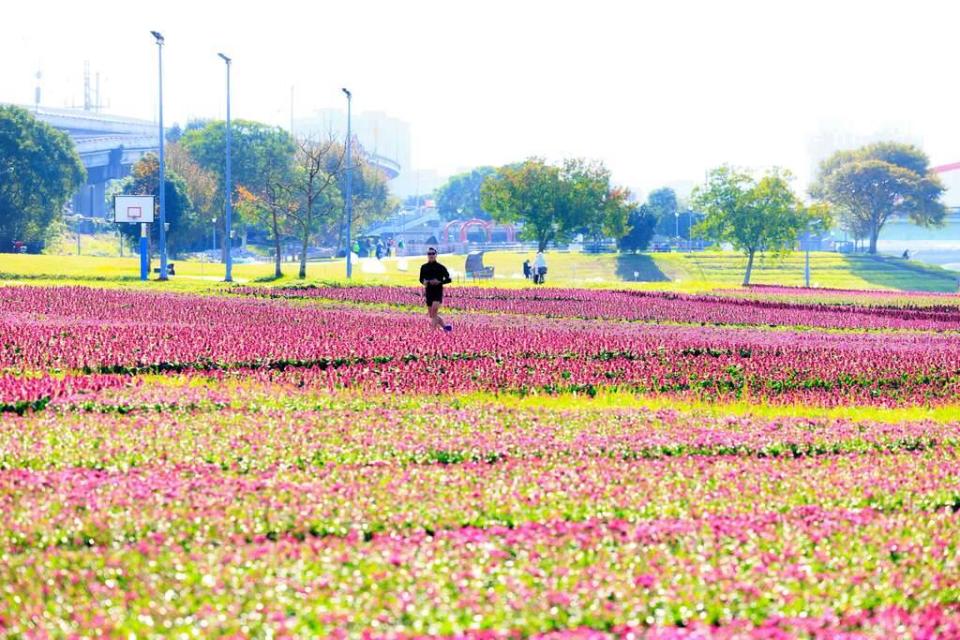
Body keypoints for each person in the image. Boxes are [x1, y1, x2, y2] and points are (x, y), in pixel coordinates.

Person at [419, 247, 453, 332]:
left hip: (437, 292)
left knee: (434, 312)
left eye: (433, 253)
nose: (431, 255)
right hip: (428, 292)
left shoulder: (441, 267)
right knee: (432, 315)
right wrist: (424, 282)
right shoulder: (424, 267)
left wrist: (439, 281)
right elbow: (420, 279)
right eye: (429, 254)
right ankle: (445, 327)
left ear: (436, 255)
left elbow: (449, 279)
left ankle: (432, 331)